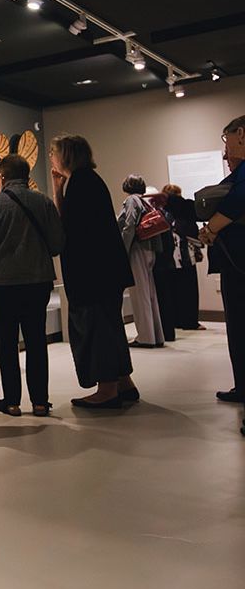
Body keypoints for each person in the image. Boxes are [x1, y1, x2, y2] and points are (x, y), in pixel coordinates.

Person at [50, 134, 139, 408]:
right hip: (104, 271)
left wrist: (57, 193)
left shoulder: (81, 182)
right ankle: (123, 383)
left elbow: (70, 227)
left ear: (66, 155)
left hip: (93, 273)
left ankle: (107, 389)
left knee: (97, 327)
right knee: (109, 326)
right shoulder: (87, 180)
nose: (51, 158)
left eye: (54, 152)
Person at [0, 154, 64, 417]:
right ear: (27, 177)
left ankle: (12, 401)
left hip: (2, 283)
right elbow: (58, 243)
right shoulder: (44, 202)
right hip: (37, 280)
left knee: (6, 343)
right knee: (37, 341)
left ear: (1, 177)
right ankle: (40, 401)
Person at [200, 114, 245, 421]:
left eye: (227, 140)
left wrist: (212, 227)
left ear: (241, 134)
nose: (226, 151)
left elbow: (237, 200)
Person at [118, 175, 166, 348]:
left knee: (139, 294)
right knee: (150, 293)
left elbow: (129, 225)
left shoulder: (131, 200)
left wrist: (123, 249)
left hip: (137, 248)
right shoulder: (146, 201)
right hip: (150, 249)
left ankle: (145, 337)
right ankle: (156, 334)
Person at [151, 185, 203, 340]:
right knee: (188, 288)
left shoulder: (162, 208)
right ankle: (189, 320)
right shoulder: (186, 206)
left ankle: (174, 320)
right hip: (186, 254)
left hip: (168, 255)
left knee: (171, 289)